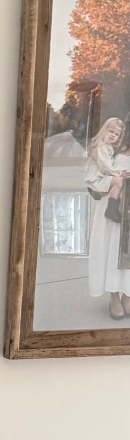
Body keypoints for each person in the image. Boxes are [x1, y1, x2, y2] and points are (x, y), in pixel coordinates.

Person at [84, 115, 130, 318]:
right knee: (112, 249)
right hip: (113, 207)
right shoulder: (111, 149)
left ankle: (128, 294)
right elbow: (95, 182)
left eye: (116, 133)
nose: (114, 135)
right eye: (112, 132)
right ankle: (113, 296)